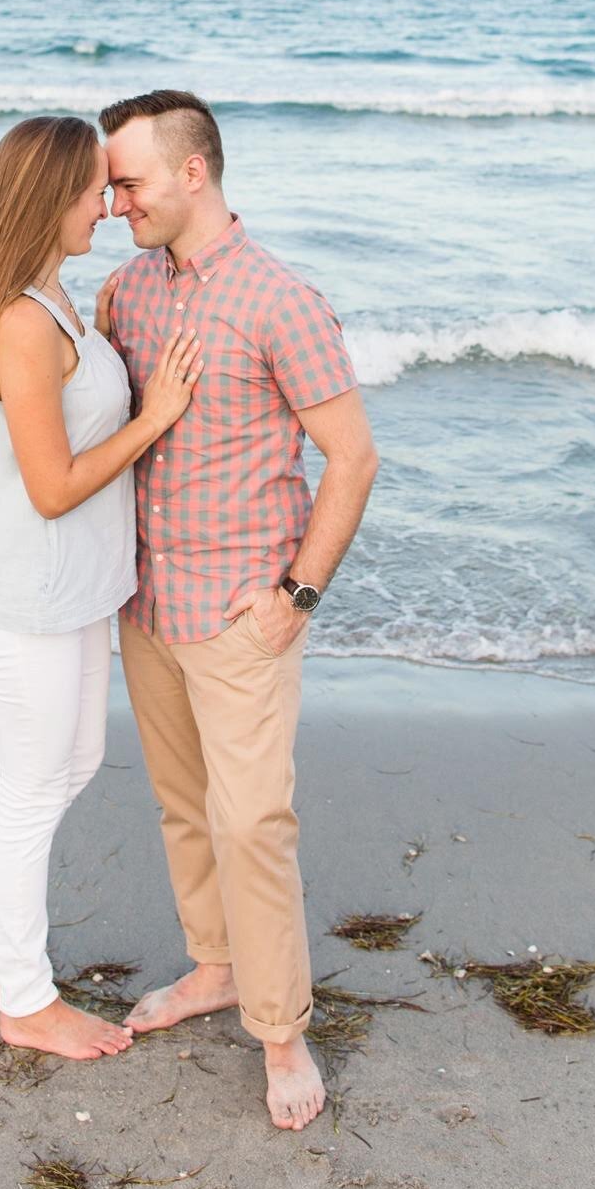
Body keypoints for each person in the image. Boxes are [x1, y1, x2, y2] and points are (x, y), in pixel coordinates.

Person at [95, 89, 379, 1130]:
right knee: (182, 805)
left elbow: (352, 456)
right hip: (145, 602)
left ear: (193, 172)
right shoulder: (123, 293)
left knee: (252, 820)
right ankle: (213, 966)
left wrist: (297, 592)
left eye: (128, 178)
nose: (114, 197)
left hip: (240, 610)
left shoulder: (281, 301)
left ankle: (280, 1027)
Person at [0, 113, 203, 1060]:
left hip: (77, 589)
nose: (109, 201)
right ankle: (25, 997)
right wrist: (157, 416)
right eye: (97, 187)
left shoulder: (55, 305)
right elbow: (52, 489)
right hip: (29, 595)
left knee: (72, 765)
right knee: (35, 789)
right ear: (51, 199)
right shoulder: (20, 320)